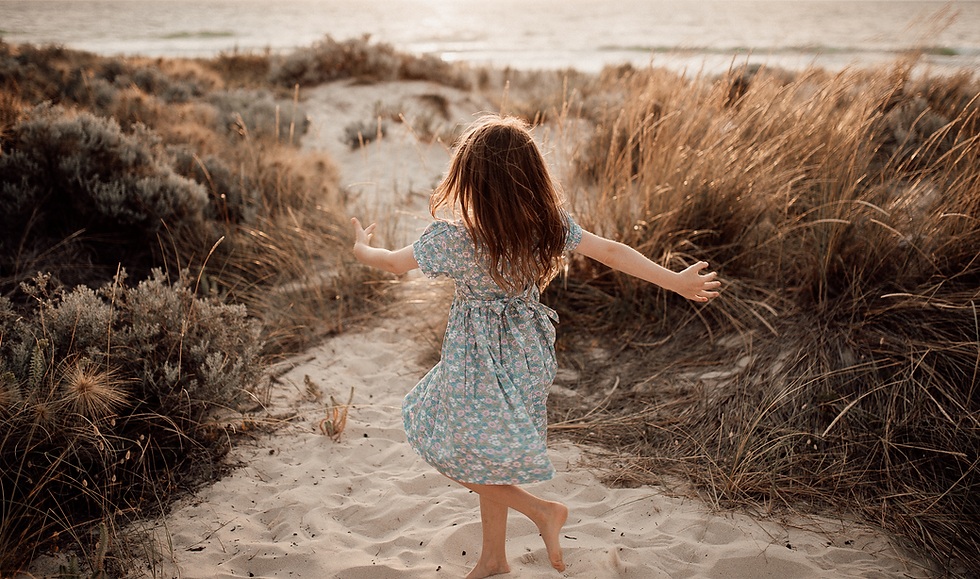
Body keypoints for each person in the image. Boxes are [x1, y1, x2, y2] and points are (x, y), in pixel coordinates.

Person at [351, 115, 720, 578]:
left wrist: (362, 248)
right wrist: (676, 281)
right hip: (529, 354)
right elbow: (613, 252)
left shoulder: (454, 239)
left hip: (476, 360)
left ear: (470, 181)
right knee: (492, 454)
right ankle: (493, 558)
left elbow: (391, 265)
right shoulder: (547, 228)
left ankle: (542, 512)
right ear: (533, 179)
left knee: (433, 435)